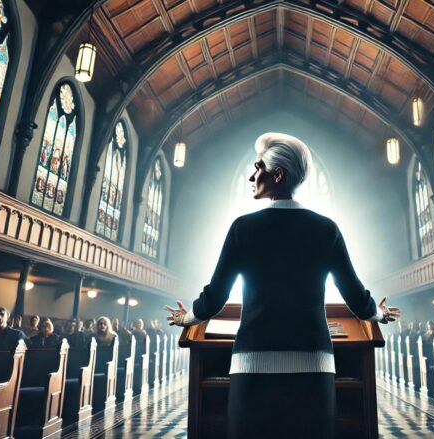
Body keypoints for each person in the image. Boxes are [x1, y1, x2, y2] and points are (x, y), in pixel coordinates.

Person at [164, 133, 400, 439]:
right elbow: (355, 296)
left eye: (258, 167)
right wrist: (379, 315)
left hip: (252, 365)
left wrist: (188, 318)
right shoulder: (326, 229)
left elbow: (216, 296)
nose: (252, 175)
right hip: (314, 366)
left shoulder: (243, 228)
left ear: (277, 175)